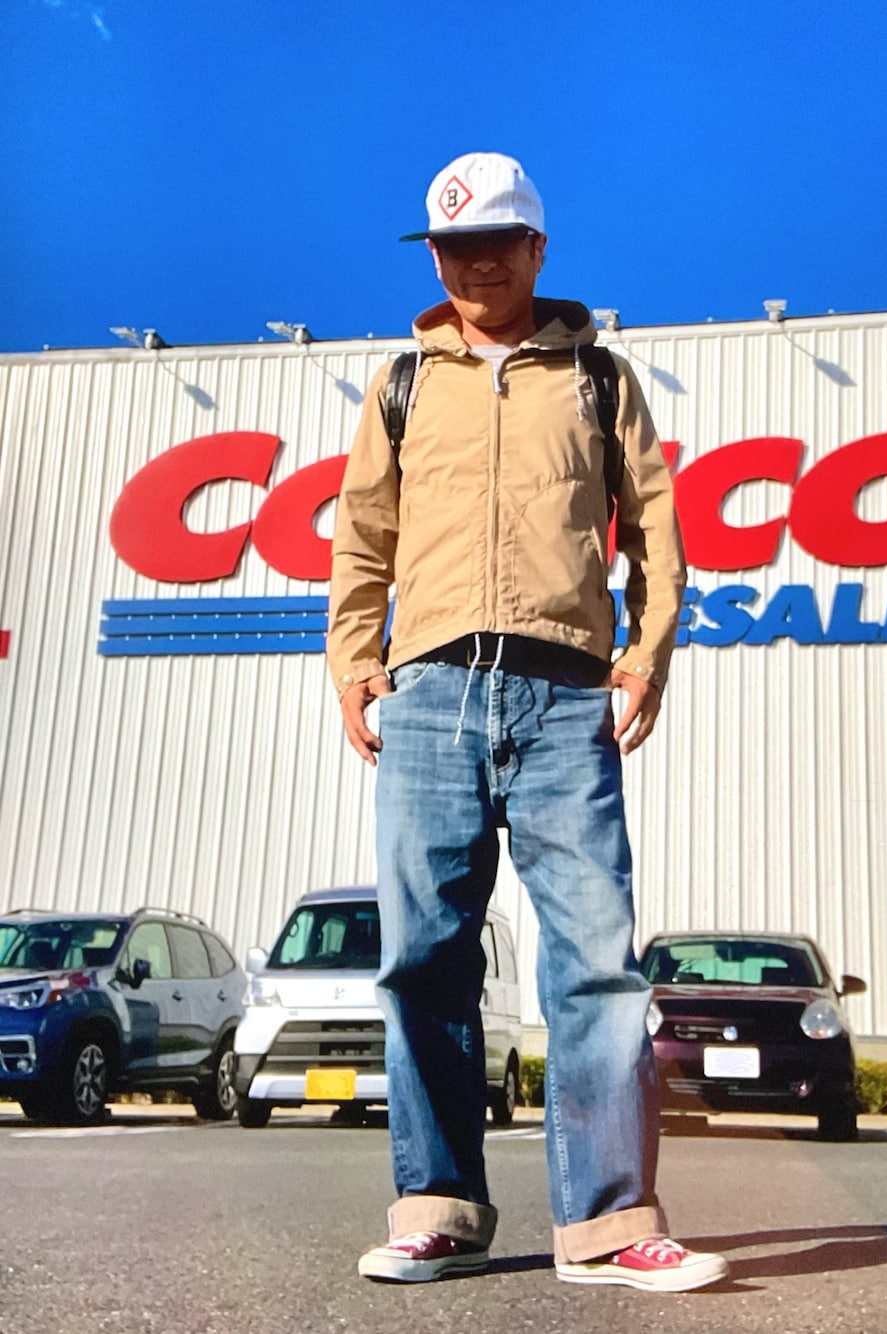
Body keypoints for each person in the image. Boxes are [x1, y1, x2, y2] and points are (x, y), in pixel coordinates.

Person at [326, 151, 729, 1294]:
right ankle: (438, 1208)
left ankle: (607, 1224)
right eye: (453, 246)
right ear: (433, 258)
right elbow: (362, 536)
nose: (476, 262)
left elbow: (656, 526)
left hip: (562, 696)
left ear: (537, 247)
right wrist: (354, 664)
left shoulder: (597, 377)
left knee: (596, 961)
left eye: (497, 240)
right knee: (423, 960)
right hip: (430, 693)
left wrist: (644, 655)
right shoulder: (402, 384)